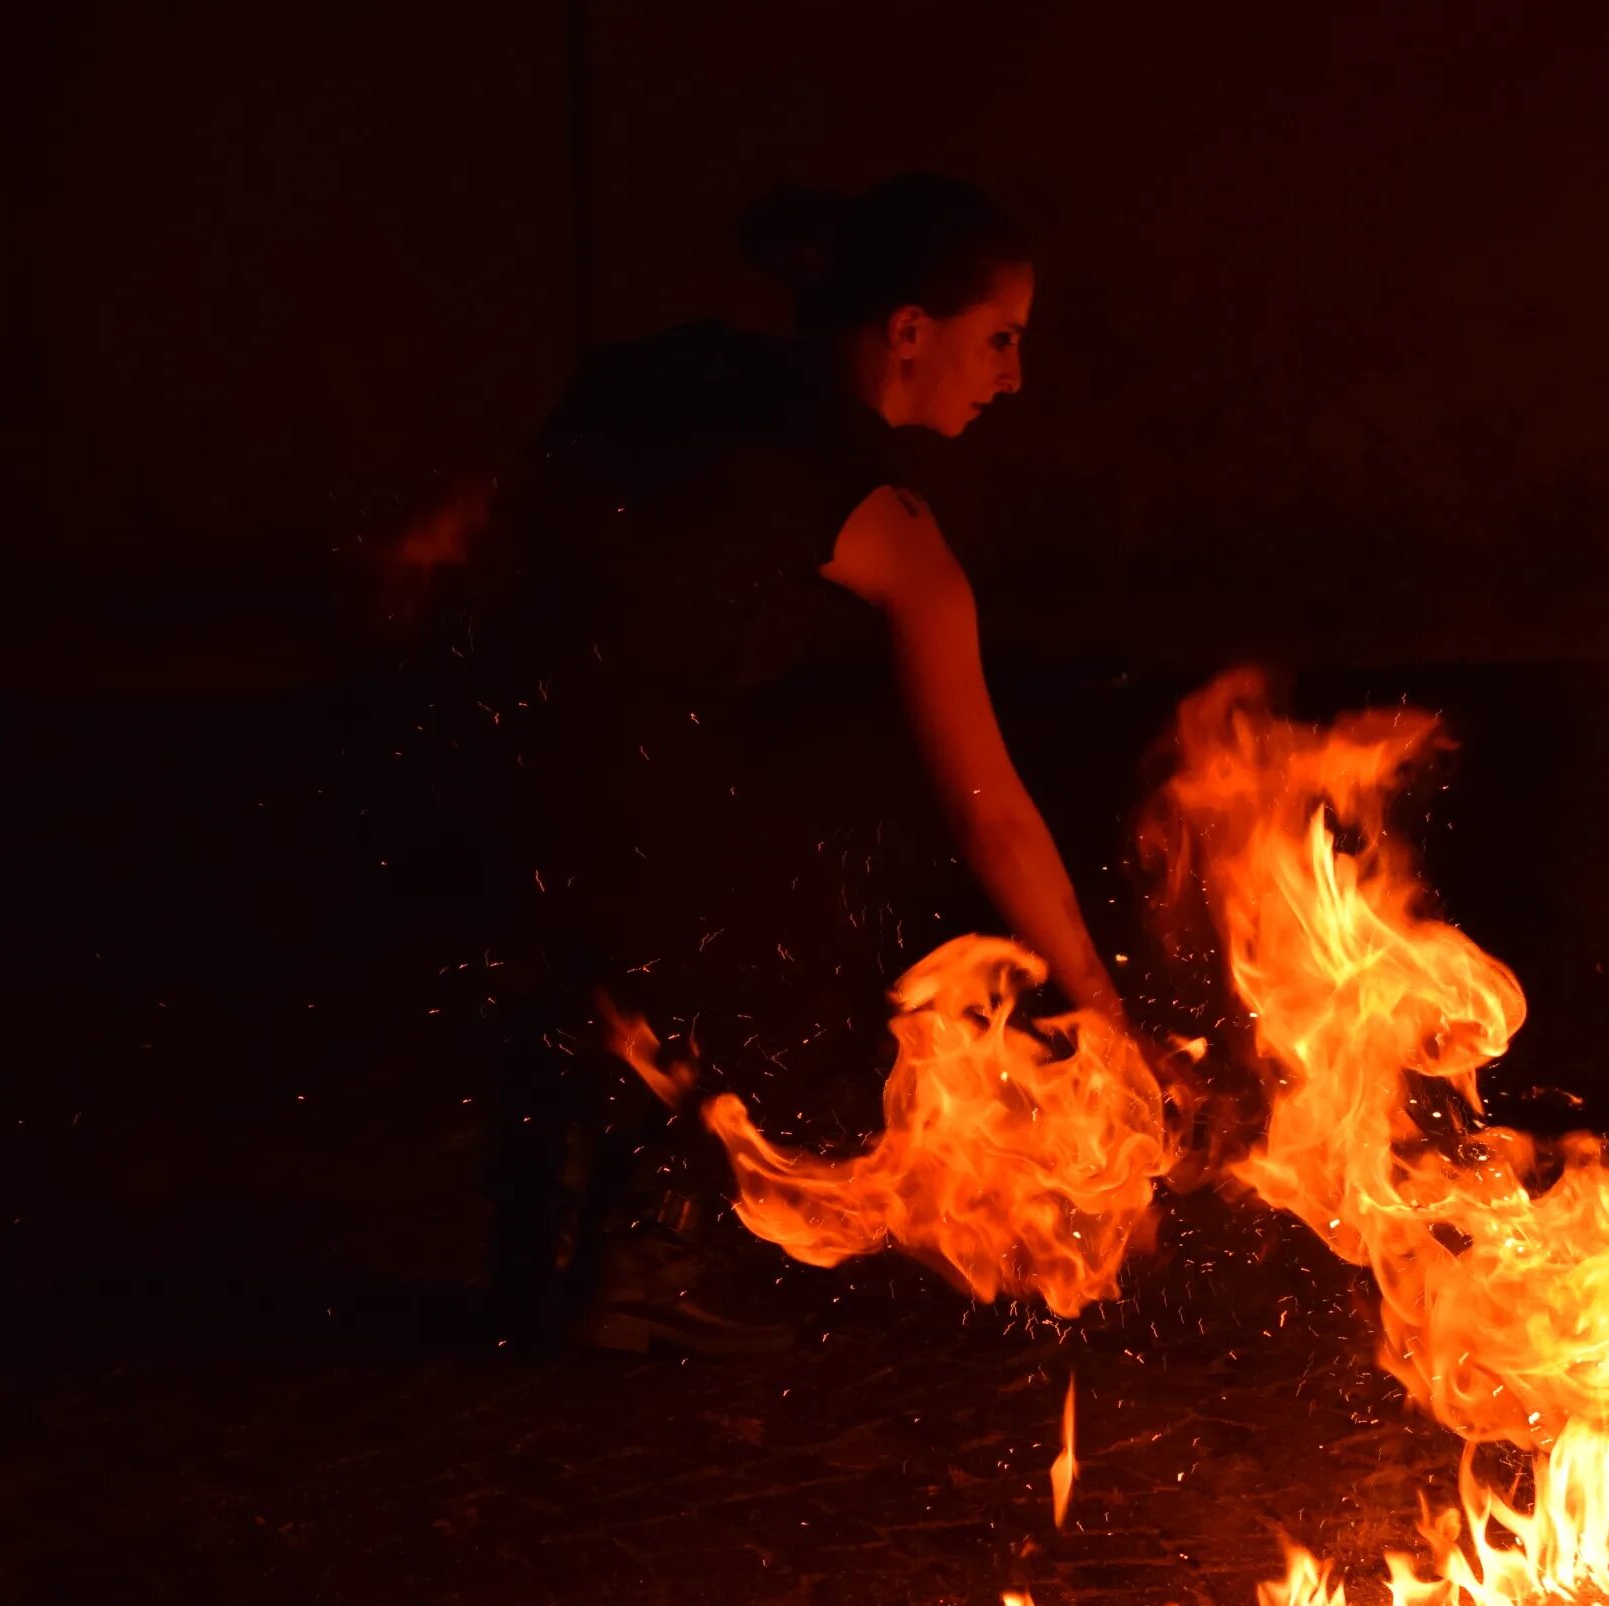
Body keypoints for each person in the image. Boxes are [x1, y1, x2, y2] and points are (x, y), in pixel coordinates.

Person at [441, 172, 1134, 1351]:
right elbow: (991, 815)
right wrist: (1103, 1012)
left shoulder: (672, 371)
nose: (1014, 376)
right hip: (586, 817)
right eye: (1000, 338)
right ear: (909, 333)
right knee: (809, 891)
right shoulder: (883, 525)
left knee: (639, 831)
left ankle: (538, 1244)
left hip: (460, 774)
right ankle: (640, 1263)